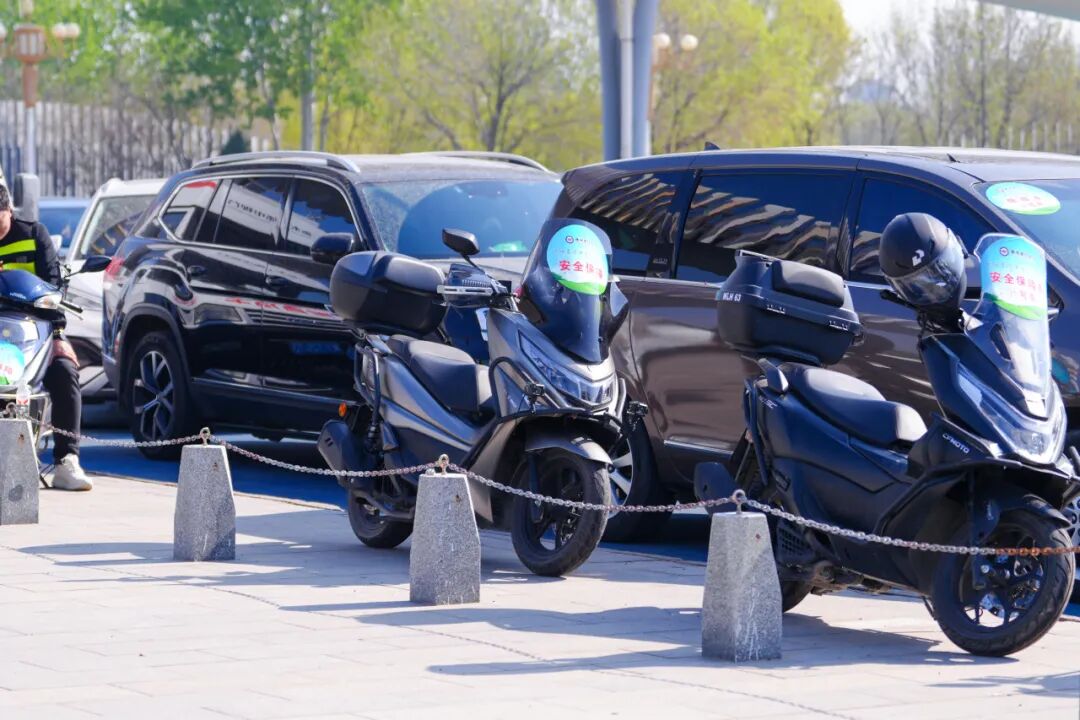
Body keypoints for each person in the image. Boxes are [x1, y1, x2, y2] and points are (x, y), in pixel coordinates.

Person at [0, 184, 92, 490]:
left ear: (9, 211)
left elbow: (54, 287)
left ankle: (67, 461)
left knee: (65, 371)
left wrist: (58, 335)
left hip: (34, 332)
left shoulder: (34, 235)